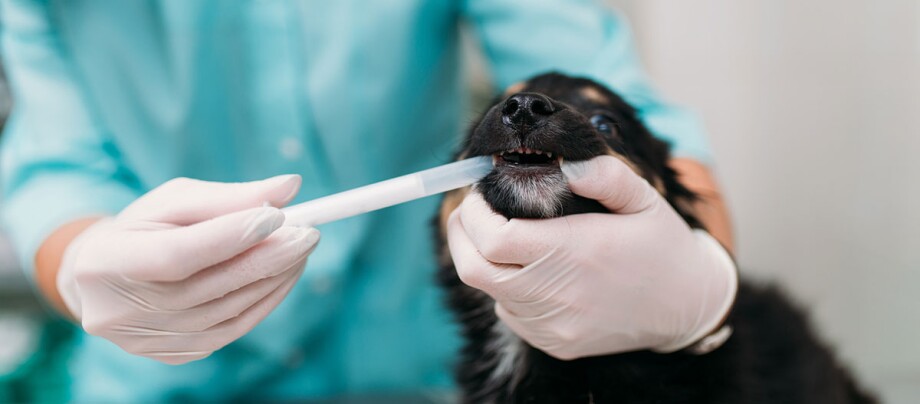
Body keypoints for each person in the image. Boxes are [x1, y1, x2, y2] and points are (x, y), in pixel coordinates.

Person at [0, 1, 736, 402]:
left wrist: (704, 279)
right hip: (165, 387)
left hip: (424, 373)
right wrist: (85, 265)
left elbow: (619, 99)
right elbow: (58, 165)